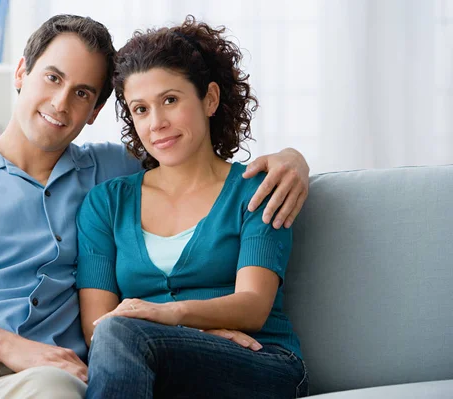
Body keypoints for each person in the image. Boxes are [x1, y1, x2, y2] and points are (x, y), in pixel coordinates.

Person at [0, 15, 309, 399]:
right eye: (52, 77)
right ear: (20, 73)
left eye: (83, 92)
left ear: (95, 111)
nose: (60, 102)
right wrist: (8, 345)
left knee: (54, 393)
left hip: (41, 377)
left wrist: (294, 160)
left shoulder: (108, 173)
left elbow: (189, 158)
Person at [77, 16, 308, 398]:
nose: (157, 123)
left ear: (210, 99)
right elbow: (98, 327)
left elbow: (253, 306)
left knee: (123, 334)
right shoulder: (106, 204)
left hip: (260, 359)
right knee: (117, 335)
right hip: (151, 361)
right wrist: (185, 337)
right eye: (140, 109)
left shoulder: (258, 189)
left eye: (170, 100)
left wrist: (169, 317)